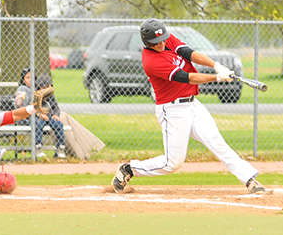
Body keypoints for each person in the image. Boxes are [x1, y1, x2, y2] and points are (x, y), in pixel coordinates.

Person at [111, 18, 266, 194]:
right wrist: (217, 77)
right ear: (147, 42)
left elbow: (189, 53)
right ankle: (129, 169)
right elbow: (187, 77)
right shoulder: (151, 61)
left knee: (216, 141)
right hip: (172, 110)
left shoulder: (165, 38)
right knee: (173, 163)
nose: (161, 44)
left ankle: (250, 180)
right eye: (156, 42)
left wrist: (216, 65)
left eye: (163, 40)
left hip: (192, 104)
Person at [15, 68, 66, 158]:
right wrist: (40, 114)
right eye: (27, 77)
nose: (45, 89)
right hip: (36, 117)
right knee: (37, 123)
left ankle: (60, 148)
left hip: (48, 117)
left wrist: (55, 115)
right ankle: (38, 147)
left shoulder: (50, 94)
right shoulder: (33, 93)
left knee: (58, 124)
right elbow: (30, 107)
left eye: (47, 87)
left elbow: (55, 107)